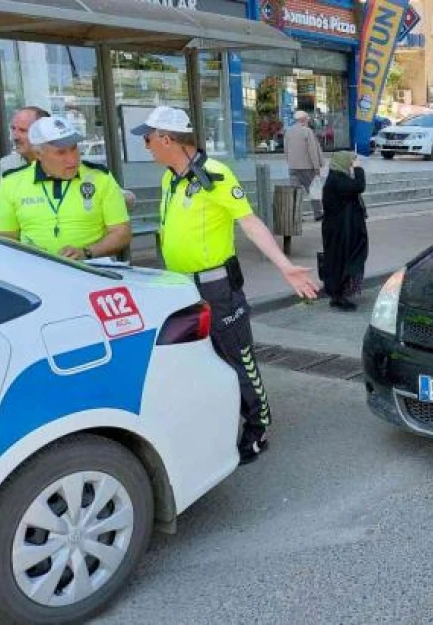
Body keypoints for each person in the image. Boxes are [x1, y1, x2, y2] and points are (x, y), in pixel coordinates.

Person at [133, 106, 319, 464]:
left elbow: (249, 223)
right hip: (179, 289)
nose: (147, 146)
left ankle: (257, 426)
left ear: (167, 139)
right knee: (194, 362)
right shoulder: (170, 177)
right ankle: (211, 425)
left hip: (216, 289)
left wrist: (285, 267)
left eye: (149, 139)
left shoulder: (215, 175)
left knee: (239, 358)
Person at [0, 116, 132, 259]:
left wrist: (87, 252)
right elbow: (5, 236)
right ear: (38, 154)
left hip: (91, 271)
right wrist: (30, 255)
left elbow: (121, 233)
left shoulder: (100, 177)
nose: (72, 158)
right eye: (61, 152)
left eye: (73, 149)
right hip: (35, 271)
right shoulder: (12, 181)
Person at [321, 152, 369, 311]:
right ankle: (340, 296)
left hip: (340, 230)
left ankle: (338, 295)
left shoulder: (337, 178)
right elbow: (359, 186)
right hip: (340, 232)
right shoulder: (337, 180)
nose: (351, 166)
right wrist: (359, 169)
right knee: (342, 262)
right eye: (349, 163)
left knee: (340, 261)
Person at [0, 106, 49, 218]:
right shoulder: (6, 165)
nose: (15, 137)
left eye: (23, 130)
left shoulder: (59, 164)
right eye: (13, 129)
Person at [284, 110, 325, 221]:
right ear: (303, 120)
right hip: (307, 167)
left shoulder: (288, 131)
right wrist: (316, 167)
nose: (308, 121)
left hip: (293, 167)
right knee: (313, 190)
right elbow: (312, 151)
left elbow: (286, 150)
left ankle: (296, 216)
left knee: (295, 192)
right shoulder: (307, 131)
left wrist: (290, 162)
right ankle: (318, 214)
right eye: (307, 119)